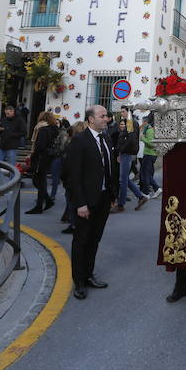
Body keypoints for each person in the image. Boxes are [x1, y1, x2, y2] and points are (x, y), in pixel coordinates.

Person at [64, 106, 117, 300]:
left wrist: (113, 195)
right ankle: (79, 281)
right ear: (90, 119)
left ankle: (88, 275)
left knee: (94, 239)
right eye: (102, 116)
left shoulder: (106, 138)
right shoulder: (79, 140)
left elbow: (110, 168)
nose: (106, 119)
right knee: (81, 241)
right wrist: (80, 204)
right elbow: (74, 176)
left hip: (103, 199)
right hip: (86, 201)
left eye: (106, 116)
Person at [26, 111, 58, 214]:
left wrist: (33, 156)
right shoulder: (54, 128)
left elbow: (39, 146)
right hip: (49, 157)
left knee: (38, 180)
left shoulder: (42, 129)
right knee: (41, 180)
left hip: (41, 158)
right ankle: (45, 202)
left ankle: (42, 203)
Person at [113, 119, 148, 212]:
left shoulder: (130, 122)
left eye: (123, 111)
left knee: (123, 180)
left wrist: (122, 150)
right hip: (125, 153)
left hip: (126, 153)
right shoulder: (129, 122)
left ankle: (121, 205)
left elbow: (131, 139)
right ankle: (140, 197)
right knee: (125, 179)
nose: (122, 112)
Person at [0, 106, 27, 190]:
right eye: (6, 113)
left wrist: (9, 133)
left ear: (13, 111)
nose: (7, 114)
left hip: (12, 147)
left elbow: (23, 133)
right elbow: (0, 129)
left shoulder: (20, 120)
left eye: (8, 113)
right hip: (2, 146)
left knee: (12, 169)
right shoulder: (4, 119)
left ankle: (11, 187)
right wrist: (0, 131)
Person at [139, 113, 162, 199]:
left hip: (149, 154)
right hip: (152, 154)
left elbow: (151, 143)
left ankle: (148, 192)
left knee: (145, 174)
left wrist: (142, 138)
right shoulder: (154, 129)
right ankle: (155, 189)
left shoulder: (150, 130)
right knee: (146, 173)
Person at [49, 118, 71, 204]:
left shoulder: (63, 133)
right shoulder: (54, 131)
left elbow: (62, 146)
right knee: (54, 175)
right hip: (55, 156)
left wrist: (55, 150)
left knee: (56, 175)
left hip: (59, 156)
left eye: (58, 123)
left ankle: (53, 195)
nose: (56, 124)